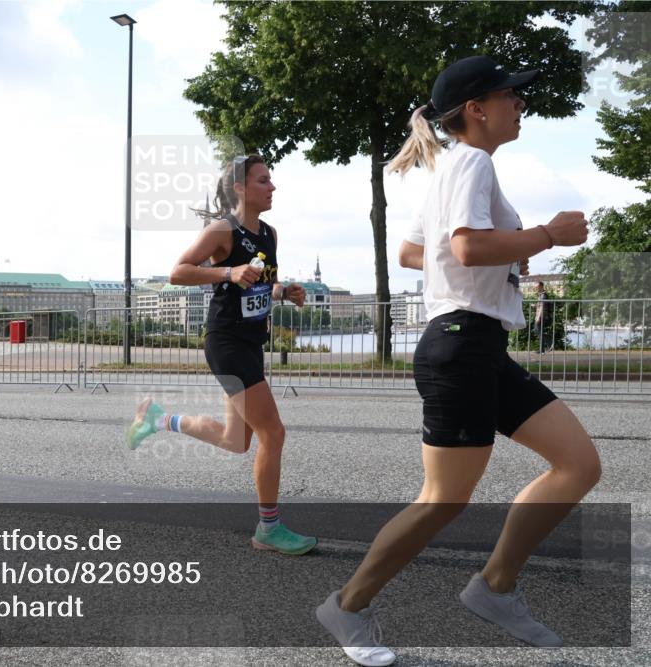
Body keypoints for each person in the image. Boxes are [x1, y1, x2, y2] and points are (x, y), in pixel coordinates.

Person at [314, 56, 601, 666]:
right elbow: (465, 248)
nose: (519, 105)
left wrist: (508, 255)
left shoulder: (454, 168)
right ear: (476, 110)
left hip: (481, 345)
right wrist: (545, 236)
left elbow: (417, 252)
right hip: (461, 346)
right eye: (510, 96)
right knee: (442, 500)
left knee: (577, 464)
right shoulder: (470, 161)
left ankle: (495, 587)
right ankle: (348, 604)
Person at [125, 154, 316, 556]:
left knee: (235, 441)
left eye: (271, 179)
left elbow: (261, 281)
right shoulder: (222, 231)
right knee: (273, 433)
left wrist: (284, 291)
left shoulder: (270, 233)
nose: (273, 186)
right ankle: (269, 527)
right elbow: (178, 272)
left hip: (250, 342)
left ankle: (160, 419)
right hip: (226, 343)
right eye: (264, 180)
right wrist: (226, 272)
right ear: (239, 188)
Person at [534, 281, 554, 352]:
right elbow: (540, 306)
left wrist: (538, 317)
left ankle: (548, 343)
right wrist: (535, 306)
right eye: (535, 287)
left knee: (538, 331)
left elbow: (542, 307)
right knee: (537, 331)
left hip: (543, 316)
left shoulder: (543, 295)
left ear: (541, 286)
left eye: (537, 286)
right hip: (541, 316)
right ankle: (546, 345)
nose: (535, 288)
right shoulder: (540, 295)